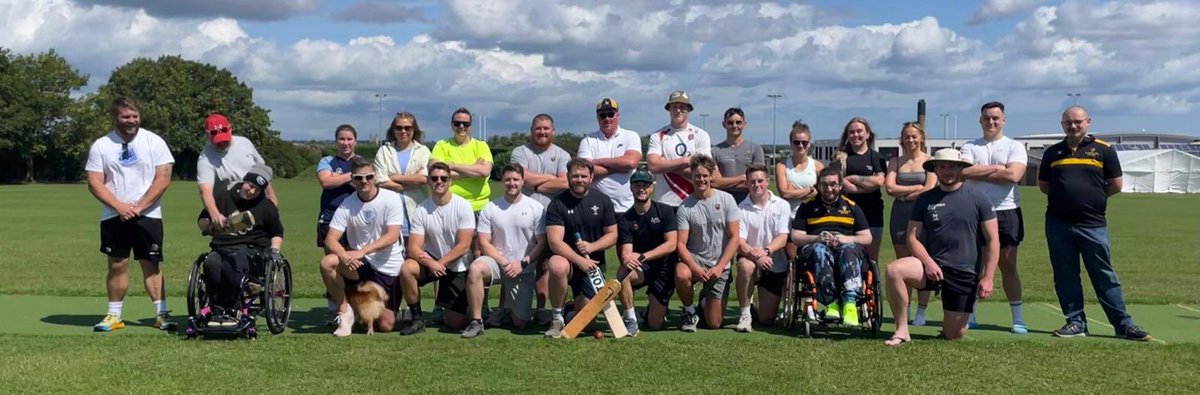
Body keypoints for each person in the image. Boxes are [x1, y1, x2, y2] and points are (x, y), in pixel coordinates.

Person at [1038, 106, 1151, 341]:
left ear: (1088, 122)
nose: (1073, 126)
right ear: (1062, 125)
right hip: (1058, 224)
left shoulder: (1104, 150)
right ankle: (1076, 322)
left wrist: (1092, 200)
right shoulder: (1052, 152)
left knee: (1103, 275)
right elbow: (1044, 186)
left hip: (1092, 225)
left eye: (1078, 121)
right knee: (1065, 275)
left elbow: (1115, 185)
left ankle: (1123, 325)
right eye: (1068, 122)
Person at [884, 149, 999, 346]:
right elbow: (912, 238)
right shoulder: (924, 199)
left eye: (952, 166)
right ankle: (902, 330)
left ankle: (958, 321)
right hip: (930, 267)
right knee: (894, 270)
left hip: (964, 271)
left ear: (960, 169)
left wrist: (988, 277)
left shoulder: (979, 198)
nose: (947, 171)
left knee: (954, 334)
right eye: (942, 167)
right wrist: (928, 262)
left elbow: (993, 240)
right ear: (935, 169)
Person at [85, 97, 177, 332]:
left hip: (148, 214)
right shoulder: (101, 145)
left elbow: (163, 178)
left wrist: (139, 207)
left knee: (151, 264)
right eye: (126, 117)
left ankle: (161, 314)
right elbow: (95, 182)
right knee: (117, 264)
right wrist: (119, 206)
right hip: (114, 215)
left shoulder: (154, 142)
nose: (131, 121)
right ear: (115, 117)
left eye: (135, 116)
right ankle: (114, 316)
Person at [958, 102, 1029, 333]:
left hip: (1007, 211)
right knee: (973, 266)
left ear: (1004, 120)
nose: (991, 122)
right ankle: (970, 314)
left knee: (1007, 265)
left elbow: (1014, 175)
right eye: (987, 118)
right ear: (980, 121)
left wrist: (982, 170)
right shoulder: (970, 146)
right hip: (975, 212)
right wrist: (998, 169)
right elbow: (963, 172)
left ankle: (1017, 318)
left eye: (996, 118)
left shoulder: (1014, 146)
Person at [319, 157, 406, 337]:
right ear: (352, 179)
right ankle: (345, 312)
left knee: (386, 325)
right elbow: (330, 240)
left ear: (375, 177)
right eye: (359, 178)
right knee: (328, 262)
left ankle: (381, 309)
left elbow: (391, 236)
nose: (364, 181)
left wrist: (362, 251)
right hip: (360, 265)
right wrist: (344, 255)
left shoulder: (392, 198)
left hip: (389, 268)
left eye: (369, 177)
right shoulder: (347, 204)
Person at [460, 164, 548, 338]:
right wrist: (504, 262)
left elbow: (542, 243)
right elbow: (484, 242)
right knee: (476, 268)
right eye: (507, 179)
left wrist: (522, 263)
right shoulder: (491, 207)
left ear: (523, 181)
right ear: (501, 181)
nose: (511, 183)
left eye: (516, 179)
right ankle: (476, 321)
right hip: (497, 263)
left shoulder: (536, 207)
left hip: (523, 269)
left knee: (520, 323)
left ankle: (506, 309)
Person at [196, 165, 284, 327]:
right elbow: (202, 221)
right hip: (221, 246)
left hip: (251, 249)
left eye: (257, 190)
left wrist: (275, 251)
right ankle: (215, 308)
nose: (252, 191)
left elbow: (277, 232)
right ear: (244, 181)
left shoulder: (266, 206)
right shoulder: (223, 197)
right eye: (250, 186)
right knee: (211, 263)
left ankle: (232, 308)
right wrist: (211, 225)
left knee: (235, 262)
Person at [398, 162, 477, 335]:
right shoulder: (421, 209)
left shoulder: (463, 206)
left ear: (450, 181)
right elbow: (413, 248)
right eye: (434, 178)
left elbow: (464, 245)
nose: (439, 182)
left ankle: (472, 309)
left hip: (457, 264)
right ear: (428, 181)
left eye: (443, 178)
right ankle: (417, 319)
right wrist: (432, 263)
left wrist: (440, 263)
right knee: (407, 268)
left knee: (455, 323)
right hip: (432, 261)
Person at [542, 158, 618, 338]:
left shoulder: (603, 200)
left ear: (591, 177)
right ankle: (557, 317)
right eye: (575, 176)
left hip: (592, 266)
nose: (579, 180)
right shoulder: (557, 204)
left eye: (584, 176)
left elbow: (612, 235)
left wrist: (592, 246)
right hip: (567, 261)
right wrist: (579, 260)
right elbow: (555, 242)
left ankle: (570, 309)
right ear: (568, 177)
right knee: (557, 265)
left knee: (587, 323)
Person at [791, 167, 872, 327]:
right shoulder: (807, 206)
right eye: (824, 185)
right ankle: (831, 303)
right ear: (818, 186)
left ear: (840, 185)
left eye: (833, 184)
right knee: (819, 250)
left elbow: (867, 237)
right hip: (816, 248)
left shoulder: (852, 207)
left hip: (846, 247)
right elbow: (796, 236)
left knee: (848, 249)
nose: (829, 189)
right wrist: (817, 238)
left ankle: (849, 302)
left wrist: (845, 239)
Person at [510, 113, 569, 324]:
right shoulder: (520, 152)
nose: (542, 132)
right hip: (521, 219)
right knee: (515, 263)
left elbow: (565, 183)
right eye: (538, 128)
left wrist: (533, 183)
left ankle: (543, 310)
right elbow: (520, 177)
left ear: (553, 131)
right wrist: (550, 179)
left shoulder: (562, 155)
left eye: (546, 128)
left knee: (544, 267)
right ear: (531, 130)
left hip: (551, 220)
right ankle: (507, 307)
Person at [674, 155, 740, 332]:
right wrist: (694, 267)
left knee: (714, 323)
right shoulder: (685, 207)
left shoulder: (726, 200)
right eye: (697, 175)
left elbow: (734, 238)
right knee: (681, 273)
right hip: (696, 259)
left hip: (719, 264)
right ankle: (689, 312)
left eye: (705, 175)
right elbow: (680, 244)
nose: (701, 179)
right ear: (692, 176)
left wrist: (720, 266)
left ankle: (705, 300)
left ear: (711, 176)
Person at [883, 122, 936, 326]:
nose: (911, 140)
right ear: (902, 139)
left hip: (923, 216)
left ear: (921, 137)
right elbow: (889, 188)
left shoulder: (930, 161)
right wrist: (915, 188)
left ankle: (921, 311)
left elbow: (929, 188)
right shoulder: (895, 162)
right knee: (903, 262)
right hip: (900, 215)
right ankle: (904, 309)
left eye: (914, 136)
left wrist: (904, 193)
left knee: (922, 262)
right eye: (907, 136)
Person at [615, 170, 679, 335]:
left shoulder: (665, 211)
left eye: (645, 185)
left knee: (655, 324)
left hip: (664, 268)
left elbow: (671, 244)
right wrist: (627, 258)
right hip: (643, 268)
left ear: (651, 189)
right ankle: (630, 318)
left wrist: (643, 256)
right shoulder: (625, 219)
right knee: (623, 273)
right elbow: (626, 252)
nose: (641, 189)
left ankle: (651, 310)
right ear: (631, 188)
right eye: (637, 185)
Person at [733, 164, 791, 332]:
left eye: (760, 181)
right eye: (752, 182)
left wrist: (766, 252)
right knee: (744, 265)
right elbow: (740, 242)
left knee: (766, 320)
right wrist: (756, 256)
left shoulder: (782, 205)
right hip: (751, 259)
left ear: (768, 181)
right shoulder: (740, 209)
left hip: (775, 263)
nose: (757, 185)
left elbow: (782, 237)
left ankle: (754, 309)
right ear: (747, 183)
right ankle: (745, 314)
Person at [197, 113, 277, 232]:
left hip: (255, 201)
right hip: (229, 207)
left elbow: (262, 172)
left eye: (224, 137)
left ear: (230, 128)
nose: (222, 142)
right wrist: (215, 215)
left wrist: (272, 199)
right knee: (203, 222)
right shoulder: (205, 159)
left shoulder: (245, 143)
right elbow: (205, 192)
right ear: (207, 134)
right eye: (217, 140)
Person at [316, 125, 358, 325]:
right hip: (329, 218)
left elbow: (367, 184)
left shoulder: (361, 162)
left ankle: (356, 306)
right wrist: (351, 176)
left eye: (349, 139)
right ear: (336, 141)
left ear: (355, 141)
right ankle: (336, 309)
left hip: (356, 220)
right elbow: (326, 182)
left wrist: (338, 178)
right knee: (332, 263)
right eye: (342, 139)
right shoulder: (327, 161)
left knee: (353, 263)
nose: (346, 143)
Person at [833, 117, 886, 262]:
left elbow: (879, 181)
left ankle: (871, 285)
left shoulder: (875, 157)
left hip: (873, 214)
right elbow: (841, 184)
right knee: (847, 257)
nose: (855, 135)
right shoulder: (841, 159)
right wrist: (868, 185)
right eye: (852, 132)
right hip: (847, 213)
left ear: (868, 134)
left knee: (871, 260)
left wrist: (853, 178)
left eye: (859, 131)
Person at [648, 90, 712, 206]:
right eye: (674, 107)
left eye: (682, 107)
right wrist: (686, 161)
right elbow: (653, 166)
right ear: (669, 109)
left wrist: (664, 164)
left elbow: (703, 171)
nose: (678, 110)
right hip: (665, 202)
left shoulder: (701, 135)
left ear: (688, 110)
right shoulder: (658, 136)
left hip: (694, 201)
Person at [577, 98, 642, 212]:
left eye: (610, 114)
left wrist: (598, 161)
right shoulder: (588, 141)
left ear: (617, 115)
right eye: (603, 115)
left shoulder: (631, 136)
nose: (607, 119)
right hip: (596, 209)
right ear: (598, 117)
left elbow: (631, 162)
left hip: (627, 207)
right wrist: (619, 167)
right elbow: (584, 172)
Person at [775, 120, 824, 263]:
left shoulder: (817, 166)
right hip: (788, 218)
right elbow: (784, 193)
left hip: (811, 218)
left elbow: (822, 192)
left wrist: (795, 191)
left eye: (804, 142)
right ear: (791, 143)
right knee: (792, 260)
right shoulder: (782, 166)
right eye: (797, 142)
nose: (801, 145)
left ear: (809, 143)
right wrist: (809, 190)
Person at [374, 112, 431, 231]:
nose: (403, 131)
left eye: (407, 128)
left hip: (416, 208)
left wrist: (396, 178)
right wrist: (411, 183)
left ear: (414, 130)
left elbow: (424, 179)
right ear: (393, 130)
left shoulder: (423, 151)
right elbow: (380, 181)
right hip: (388, 210)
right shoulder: (384, 151)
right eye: (399, 128)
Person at [429, 107, 492, 212]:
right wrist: (473, 170)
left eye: (465, 124)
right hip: (449, 207)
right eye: (457, 123)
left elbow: (484, 172)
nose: (461, 126)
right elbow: (435, 172)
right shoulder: (441, 145)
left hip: (478, 208)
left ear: (470, 126)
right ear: (452, 125)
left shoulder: (481, 146)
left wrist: (453, 166)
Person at [711, 108, 765, 203]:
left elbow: (757, 183)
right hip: (722, 201)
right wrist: (742, 178)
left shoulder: (755, 149)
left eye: (738, 122)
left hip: (749, 201)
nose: (734, 126)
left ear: (744, 124)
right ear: (724, 124)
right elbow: (714, 182)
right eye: (730, 122)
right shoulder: (714, 151)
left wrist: (722, 182)